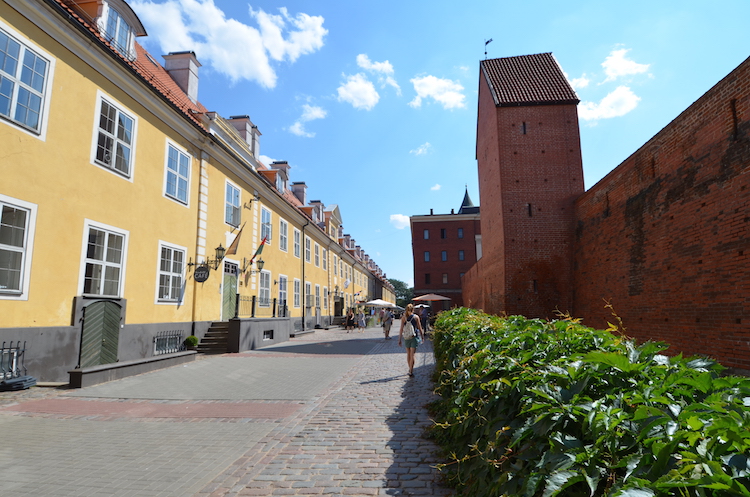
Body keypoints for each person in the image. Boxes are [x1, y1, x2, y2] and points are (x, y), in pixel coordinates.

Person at [398, 304, 424, 377]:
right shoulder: (416, 317)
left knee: (408, 354)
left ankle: (409, 368)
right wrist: (422, 337)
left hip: (406, 337)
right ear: (413, 309)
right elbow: (420, 328)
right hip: (414, 337)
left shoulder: (404, 318)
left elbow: (401, 329)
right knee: (412, 354)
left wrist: (399, 339)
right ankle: (411, 370)